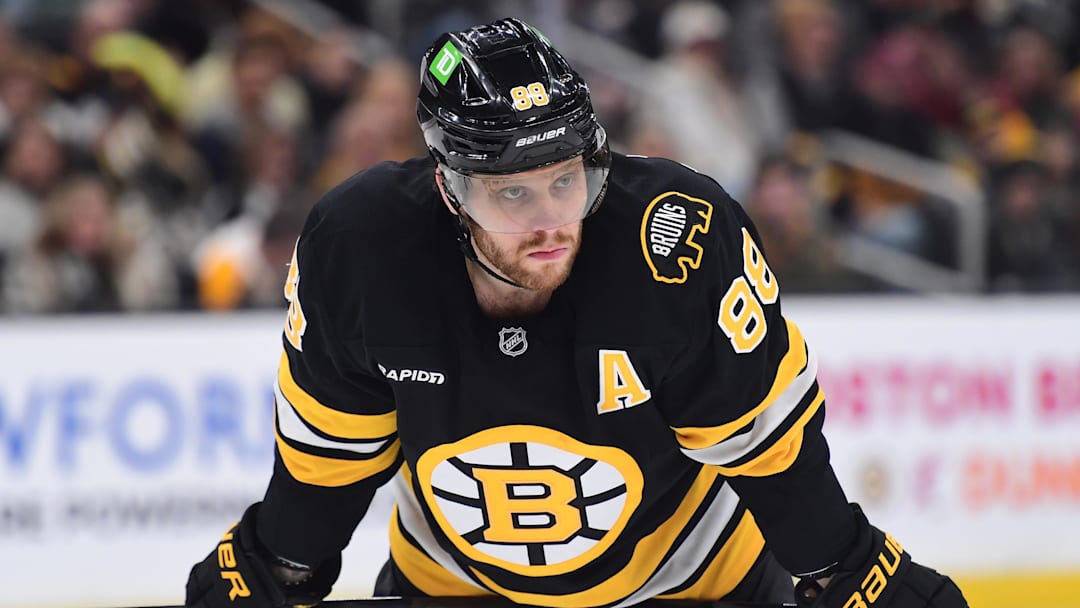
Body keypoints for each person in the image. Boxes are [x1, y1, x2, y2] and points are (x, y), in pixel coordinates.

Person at [184, 18, 968, 608]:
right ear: (449, 187)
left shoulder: (676, 243)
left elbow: (772, 452)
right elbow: (329, 459)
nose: (552, 223)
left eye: (567, 181)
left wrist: (847, 566)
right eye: (513, 194)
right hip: (454, 585)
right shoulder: (359, 249)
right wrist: (278, 563)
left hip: (692, 584)